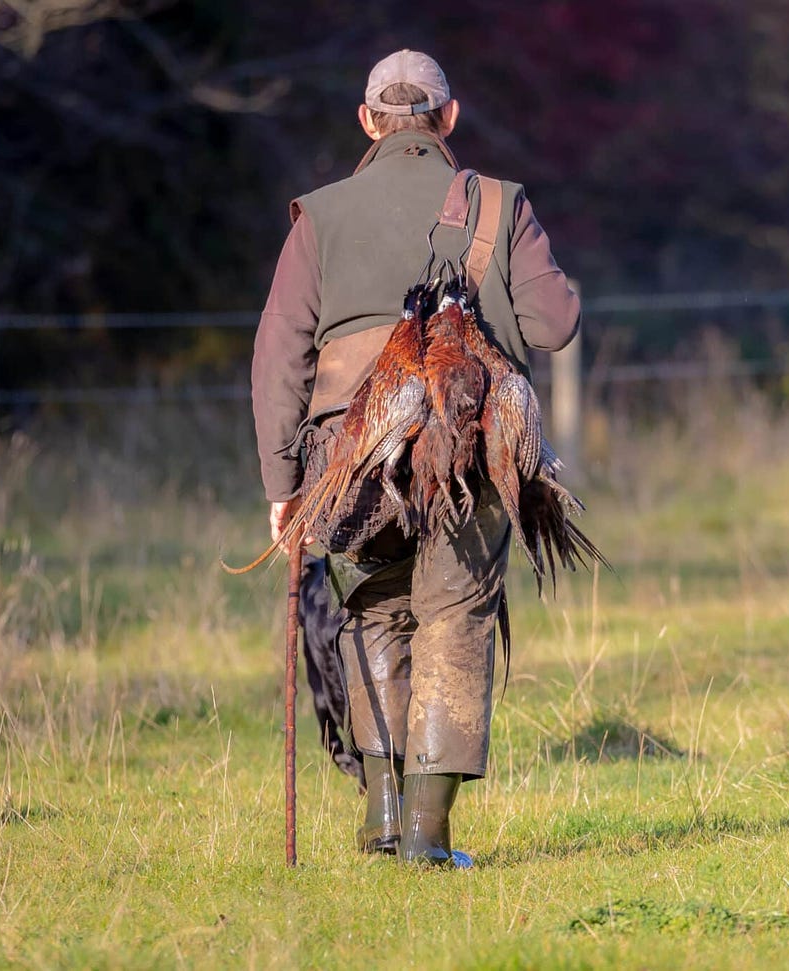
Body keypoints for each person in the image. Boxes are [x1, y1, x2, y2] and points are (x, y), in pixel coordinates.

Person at [250, 49, 580, 866]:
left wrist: (282, 484)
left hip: (351, 464)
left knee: (374, 610)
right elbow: (555, 324)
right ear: (450, 118)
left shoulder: (319, 216)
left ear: (368, 121)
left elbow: (277, 357)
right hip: (471, 455)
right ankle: (428, 841)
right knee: (456, 611)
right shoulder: (502, 206)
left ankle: (382, 819)